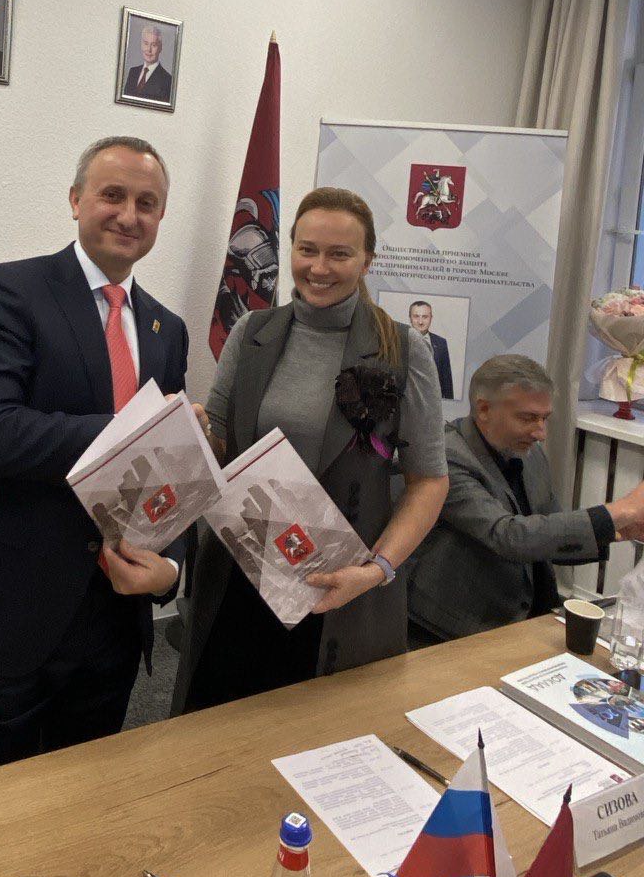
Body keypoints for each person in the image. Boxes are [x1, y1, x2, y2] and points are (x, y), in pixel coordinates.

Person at [0, 136, 194, 773]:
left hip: (112, 617)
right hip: (7, 608)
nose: (129, 215)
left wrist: (171, 568)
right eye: (112, 195)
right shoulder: (10, 290)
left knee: (83, 791)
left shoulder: (167, 328)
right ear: (76, 200)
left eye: (147, 203)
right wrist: (134, 428)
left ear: (161, 216)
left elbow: (166, 473)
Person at [171, 186, 449, 715]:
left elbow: (429, 481)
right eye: (307, 250)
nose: (319, 268)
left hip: (341, 585)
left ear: (368, 260)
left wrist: (377, 569)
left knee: (324, 737)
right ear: (292, 249)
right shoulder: (252, 330)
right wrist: (188, 428)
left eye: (339, 254)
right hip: (241, 574)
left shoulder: (402, 347)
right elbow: (221, 443)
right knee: (218, 727)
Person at [407, 355, 644, 644]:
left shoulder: (528, 453)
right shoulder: (446, 457)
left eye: (545, 418)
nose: (541, 433)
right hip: (454, 630)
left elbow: (549, 532)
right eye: (528, 418)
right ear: (483, 409)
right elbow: (508, 536)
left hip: (531, 617)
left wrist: (618, 530)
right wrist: (621, 510)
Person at [409, 300, 454, 399]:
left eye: (425, 317)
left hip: (433, 401)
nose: (420, 322)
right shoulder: (400, 341)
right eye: (416, 316)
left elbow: (446, 380)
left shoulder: (441, 343)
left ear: (431, 318)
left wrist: (450, 404)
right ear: (410, 318)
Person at [123, 25, 172, 103]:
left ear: (160, 48)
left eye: (154, 45)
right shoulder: (133, 72)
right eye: (146, 44)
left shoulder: (167, 80)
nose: (149, 50)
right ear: (141, 45)